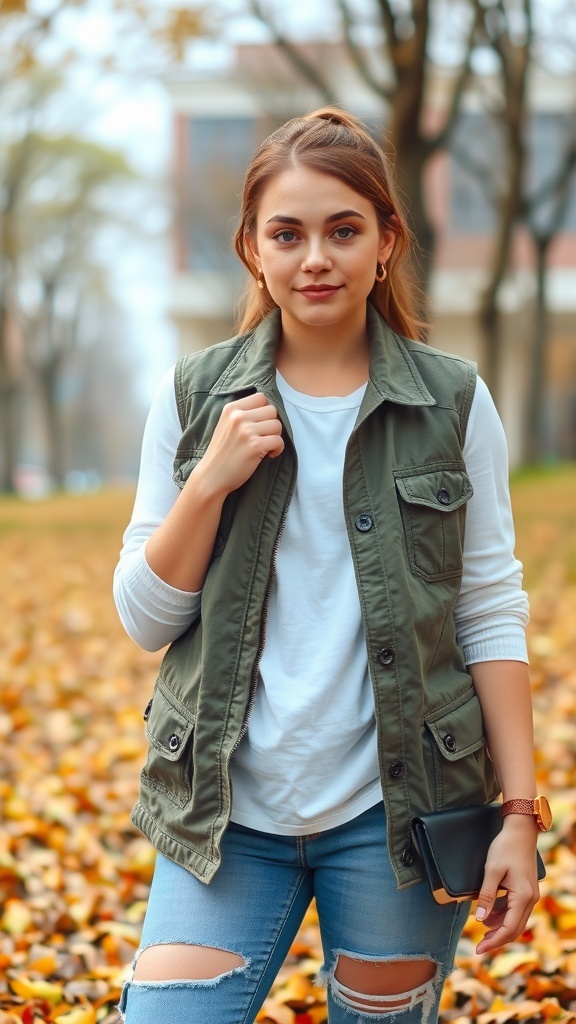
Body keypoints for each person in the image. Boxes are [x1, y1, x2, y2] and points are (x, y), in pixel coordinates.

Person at [113, 107, 544, 1024]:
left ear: (387, 242)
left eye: (344, 230)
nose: (316, 258)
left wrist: (519, 815)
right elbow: (145, 620)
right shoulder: (193, 397)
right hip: (225, 818)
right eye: (288, 234)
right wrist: (208, 483)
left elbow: (489, 610)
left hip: (399, 819)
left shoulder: (454, 402)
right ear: (252, 248)